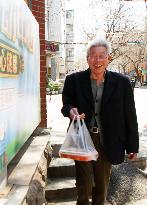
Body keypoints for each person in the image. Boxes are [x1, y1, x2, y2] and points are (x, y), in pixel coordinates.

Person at [61, 37, 139, 205]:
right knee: (84, 184)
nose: (97, 60)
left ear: (108, 58)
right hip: (83, 138)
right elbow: (66, 105)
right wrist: (70, 111)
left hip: (108, 139)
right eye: (93, 56)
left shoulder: (122, 83)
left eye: (101, 56)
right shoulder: (73, 80)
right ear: (87, 58)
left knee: (102, 186)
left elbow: (130, 115)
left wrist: (133, 145)